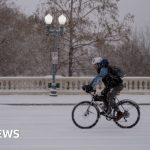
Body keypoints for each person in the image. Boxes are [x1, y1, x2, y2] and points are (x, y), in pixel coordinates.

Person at [82, 57, 124, 121]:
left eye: (95, 65)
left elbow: (98, 78)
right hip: (110, 86)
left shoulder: (104, 69)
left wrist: (90, 86)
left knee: (109, 96)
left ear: (99, 64)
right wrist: (90, 86)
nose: (94, 67)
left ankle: (119, 113)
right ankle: (107, 109)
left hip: (117, 86)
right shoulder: (102, 69)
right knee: (102, 95)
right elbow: (96, 78)